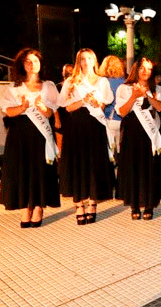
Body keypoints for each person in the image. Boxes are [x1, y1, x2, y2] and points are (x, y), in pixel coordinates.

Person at [0, 48, 60, 228]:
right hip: (20, 135)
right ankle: (26, 207)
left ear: (41, 64)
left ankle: (39, 206)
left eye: (35, 61)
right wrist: (23, 107)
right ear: (22, 65)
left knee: (40, 168)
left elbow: (53, 113)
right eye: (28, 61)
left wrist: (43, 108)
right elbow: (7, 111)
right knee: (23, 169)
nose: (32, 64)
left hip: (41, 135)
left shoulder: (49, 86)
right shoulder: (14, 88)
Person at [58, 48, 115, 225]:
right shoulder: (71, 82)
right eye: (82, 59)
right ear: (78, 62)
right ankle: (79, 205)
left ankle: (92, 203)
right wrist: (83, 100)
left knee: (93, 164)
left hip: (94, 125)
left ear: (94, 60)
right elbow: (67, 107)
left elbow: (103, 106)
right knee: (77, 163)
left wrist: (95, 102)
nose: (86, 62)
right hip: (75, 126)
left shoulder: (102, 81)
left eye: (89, 58)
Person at [115, 58, 161, 220]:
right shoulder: (124, 88)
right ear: (136, 69)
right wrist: (134, 96)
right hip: (132, 131)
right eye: (142, 68)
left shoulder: (155, 88)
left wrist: (148, 96)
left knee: (150, 167)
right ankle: (135, 204)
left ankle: (149, 204)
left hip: (150, 133)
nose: (145, 71)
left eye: (149, 69)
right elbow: (122, 112)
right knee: (133, 167)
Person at [99, 55, 126, 155]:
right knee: (120, 150)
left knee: (109, 150)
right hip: (122, 119)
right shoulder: (125, 82)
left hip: (108, 118)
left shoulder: (103, 82)